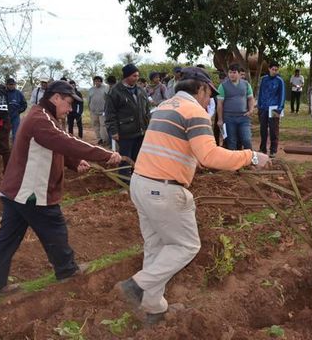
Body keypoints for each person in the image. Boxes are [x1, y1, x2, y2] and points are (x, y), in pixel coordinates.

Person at [114, 67, 270, 326]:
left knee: (157, 247)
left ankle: (153, 307)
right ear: (201, 89)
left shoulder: (165, 106)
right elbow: (210, 157)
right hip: (164, 189)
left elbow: (179, 147)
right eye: (210, 94)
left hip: (140, 183)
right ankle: (137, 285)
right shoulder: (194, 111)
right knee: (186, 245)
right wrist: (251, 157)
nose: (210, 100)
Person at [0, 81, 121, 301]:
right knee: (55, 230)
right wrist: (105, 154)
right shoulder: (40, 119)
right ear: (55, 98)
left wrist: (75, 162)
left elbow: (56, 147)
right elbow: (66, 142)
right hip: (32, 192)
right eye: (68, 103)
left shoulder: (45, 117)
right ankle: (67, 270)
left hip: (15, 191)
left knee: (7, 240)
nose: (71, 109)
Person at [105, 63, 150, 184]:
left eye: (137, 76)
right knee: (125, 158)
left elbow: (146, 111)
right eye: (134, 76)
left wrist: (148, 127)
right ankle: (124, 183)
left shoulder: (141, 90)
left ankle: (136, 181)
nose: (137, 78)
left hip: (140, 131)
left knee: (138, 157)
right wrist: (113, 131)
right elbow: (110, 113)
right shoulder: (115, 92)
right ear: (127, 76)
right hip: (125, 132)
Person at [217, 63, 255, 150]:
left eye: (234, 72)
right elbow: (220, 104)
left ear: (239, 73)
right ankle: (234, 162)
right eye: (230, 72)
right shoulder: (223, 86)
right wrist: (220, 119)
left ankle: (250, 160)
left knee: (246, 140)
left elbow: (250, 98)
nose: (231, 74)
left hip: (244, 117)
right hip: (229, 118)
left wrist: (251, 110)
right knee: (231, 141)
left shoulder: (246, 84)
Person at [257, 61, 285, 157]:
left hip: (274, 108)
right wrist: (259, 105)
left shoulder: (279, 80)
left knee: (274, 129)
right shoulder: (264, 79)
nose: (274, 71)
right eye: (273, 69)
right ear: (269, 69)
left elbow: (282, 95)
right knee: (263, 129)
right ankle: (262, 148)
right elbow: (260, 93)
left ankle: (273, 150)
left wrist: (280, 108)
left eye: (276, 70)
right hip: (263, 107)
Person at [88, 76, 109, 146]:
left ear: (101, 81)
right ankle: (99, 139)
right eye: (95, 81)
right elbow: (89, 100)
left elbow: (108, 99)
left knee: (103, 125)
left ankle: (105, 140)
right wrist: (90, 109)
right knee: (95, 125)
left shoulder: (106, 88)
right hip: (93, 111)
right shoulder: (91, 89)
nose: (97, 82)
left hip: (103, 111)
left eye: (98, 81)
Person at [5, 78, 27, 143]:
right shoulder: (3, 93)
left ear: (15, 84)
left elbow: (24, 105)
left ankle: (15, 149)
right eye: (10, 84)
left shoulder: (18, 93)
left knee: (16, 134)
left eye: (13, 84)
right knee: (5, 135)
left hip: (15, 117)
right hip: (6, 117)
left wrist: (18, 111)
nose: (11, 86)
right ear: (6, 85)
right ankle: (6, 150)